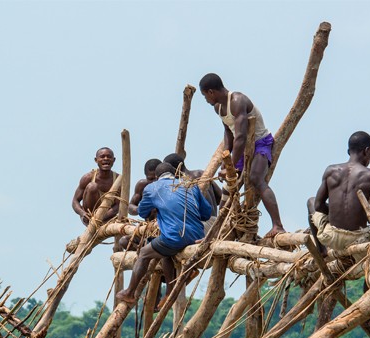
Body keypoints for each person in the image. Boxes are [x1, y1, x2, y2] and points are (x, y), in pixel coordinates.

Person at [199, 73, 285, 238]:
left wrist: (230, 165)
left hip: (260, 143)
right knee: (228, 188)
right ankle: (215, 234)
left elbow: (241, 137)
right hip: (242, 148)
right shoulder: (219, 108)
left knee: (255, 179)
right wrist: (226, 161)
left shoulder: (238, 101)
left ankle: (278, 225)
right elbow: (228, 134)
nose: (206, 100)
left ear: (211, 92)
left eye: (205, 96)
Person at [116, 162, 212, 305]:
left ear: (156, 176)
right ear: (175, 173)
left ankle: (129, 293)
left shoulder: (151, 188)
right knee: (164, 252)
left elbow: (142, 212)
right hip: (198, 236)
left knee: (143, 253)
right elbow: (206, 213)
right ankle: (169, 291)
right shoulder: (190, 184)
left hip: (175, 236)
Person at [307, 131, 370, 255]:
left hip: (331, 237)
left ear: (348, 151)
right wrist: (366, 218)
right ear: (367, 151)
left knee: (311, 201)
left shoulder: (330, 171)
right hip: (358, 239)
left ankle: (322, 251)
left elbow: (318, 205)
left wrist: (335, 214)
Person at [71, 147, 120, 226]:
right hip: (89, 216)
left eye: (109, 156)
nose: (106, 158)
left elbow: (119, 205)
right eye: (102, 156)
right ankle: (92, 218)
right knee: (92, 186)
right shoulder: (88, 177)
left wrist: (102, 217)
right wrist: (82, 213)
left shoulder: (118, 179)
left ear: (114, 160)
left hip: (107, 217)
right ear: (96, 160)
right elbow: (75, 201)